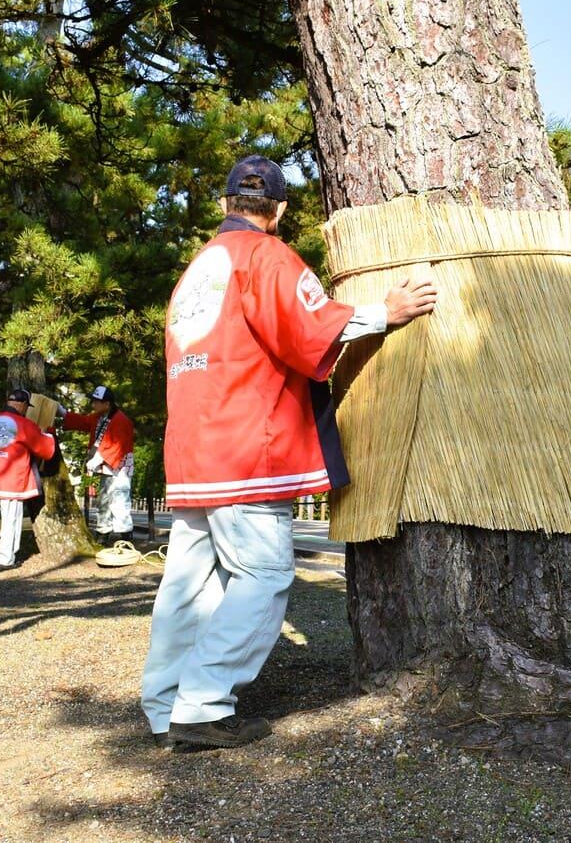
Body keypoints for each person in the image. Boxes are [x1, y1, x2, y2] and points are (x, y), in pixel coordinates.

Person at [141, 155, 437, 750]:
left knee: (188, 584)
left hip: (195, 445)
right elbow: (309, 329)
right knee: (266, 573)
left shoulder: (198, 269)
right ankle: (202, 705)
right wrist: (388, 312)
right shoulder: (266, 257)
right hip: (248, 444)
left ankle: (164, 701)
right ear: (277, 210)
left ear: (225, 204)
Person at [0, 388, 57, 574]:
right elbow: (46, 449)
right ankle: (4, 560)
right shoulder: (25, 425)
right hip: (11, 482)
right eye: (26, 407)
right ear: (22, 405)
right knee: (10, 522)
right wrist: (50, 433)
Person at [59, 385, 136, 545]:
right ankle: (103, 533)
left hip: (120, 468)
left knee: (120, 501)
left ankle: (125, 538)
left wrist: (99, 457)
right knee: (104, 501)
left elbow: (118, 446)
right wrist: (63, 413)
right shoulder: (98, 417)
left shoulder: (122, 420)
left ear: (107, 404)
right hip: (106, 466)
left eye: (96, 402)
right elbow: (83, 421)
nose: (93, 405)